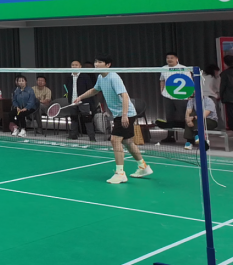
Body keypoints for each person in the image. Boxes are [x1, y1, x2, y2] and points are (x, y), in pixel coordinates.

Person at [73, 55, 151, 184]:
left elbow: (125, 96)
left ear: (108, 65)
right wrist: (80, 97)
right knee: (128, 142)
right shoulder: (101, 77)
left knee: (115, 140)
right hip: (119, 114)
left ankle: (120, 173)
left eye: (100, 62)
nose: (96, 64)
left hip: (125, 113)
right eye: (95, 62)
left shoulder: (113, 77)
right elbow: (94, 90)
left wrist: (124, 115)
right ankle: (143, 167)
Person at [158, 52, 188, 144]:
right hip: (167, 96)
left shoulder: (184, 68)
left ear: (176, 59)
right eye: (168, 58)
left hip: (181, 96)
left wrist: (190, 94)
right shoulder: (164, 68)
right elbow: (162, 80)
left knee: (184, 116)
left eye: (171, 58)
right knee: (169, 116)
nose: (169, 59)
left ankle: (189, 137)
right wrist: (162, 91)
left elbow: (189, 82)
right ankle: (170, 136)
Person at [62, 61, 97, 141]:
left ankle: (92, 137)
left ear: (80, 66)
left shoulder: (85, 76)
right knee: (73, 118)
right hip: (72, 101)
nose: (74, 66)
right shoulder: (68, 77)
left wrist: (88, 100)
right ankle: (73, 135)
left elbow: (90, 89)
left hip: (84, 101)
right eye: (72, 65)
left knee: (87, 119)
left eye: (76, 65)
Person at [222, 55, 233, 132]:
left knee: (231, 114)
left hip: (229, 97)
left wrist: (221, 96)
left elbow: (222, 86)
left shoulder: (225, 73)